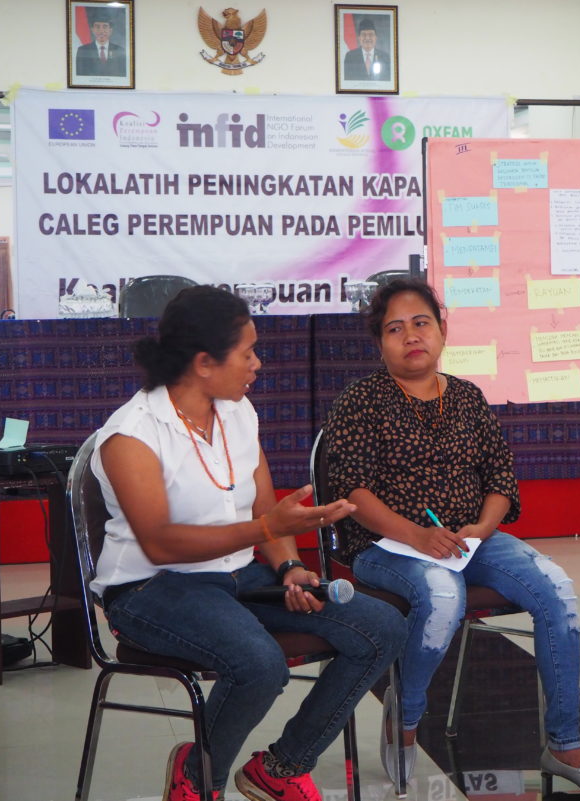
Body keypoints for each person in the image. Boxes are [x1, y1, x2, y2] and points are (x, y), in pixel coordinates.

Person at [91, 285, 407, 801]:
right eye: (248, 353)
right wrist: (267, 531)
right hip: (150, 588)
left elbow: (265, 511)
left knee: (382, 628)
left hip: (235, 576)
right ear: (204, 363)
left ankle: (281, 768)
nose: (258, 364)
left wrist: (289, 570)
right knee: (259, 665)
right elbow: (161, 544)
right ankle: (198, 779)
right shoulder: (132, 433)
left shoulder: (238, 412)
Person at [322, 278, 580, 795]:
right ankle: (406, 719)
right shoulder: (362, 400)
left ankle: (564, 743)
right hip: (388, 545)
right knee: (444, 595)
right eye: (395, 328)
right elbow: (352, 491)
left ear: (442, 330)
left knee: (557, 590)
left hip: (469, 540)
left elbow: (501, 477)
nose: (411, 336)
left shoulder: (466, 396)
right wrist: (418, 536)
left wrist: (483, 529)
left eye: (421, 323)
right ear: (380, 343)